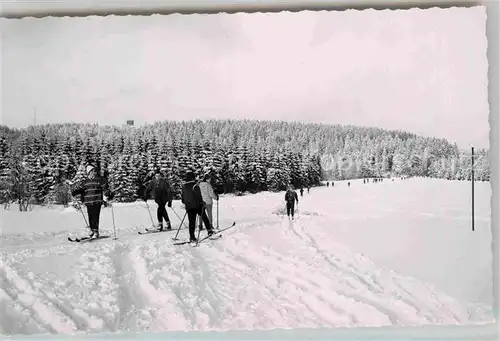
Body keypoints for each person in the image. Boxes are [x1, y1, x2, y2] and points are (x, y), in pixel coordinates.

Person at [71, 164, 109, 238]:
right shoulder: (85, 182)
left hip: (97, 201)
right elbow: (82, 189)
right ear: (89, 172)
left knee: (95, 216)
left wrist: (108, 193)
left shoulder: (99, 180)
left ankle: (96, 232)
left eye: (95, 171)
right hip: (88, 202)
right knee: (90, 217)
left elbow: (105, 188)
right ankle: (92, 231)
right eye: (92, 171)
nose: (94, 172)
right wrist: (76, 192)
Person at [181, 172, 214, 242]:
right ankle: (209, 230)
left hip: (189, 207)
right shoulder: (195, 186)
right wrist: (202, 202)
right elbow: (199, 196)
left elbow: (183, 199)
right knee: (204, 217)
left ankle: (192, 237)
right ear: (193, 178)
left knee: (191, 222)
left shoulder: (183, 187)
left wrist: (187, 203)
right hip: (197, 206)